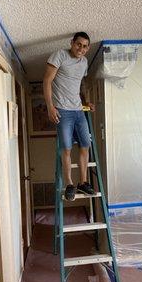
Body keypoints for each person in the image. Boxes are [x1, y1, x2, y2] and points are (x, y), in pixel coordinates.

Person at [43, 32, 95, 201]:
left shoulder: (84, 62)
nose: (81, 48)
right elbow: (47, 81)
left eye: (85, 46)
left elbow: (82, 83)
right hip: (62, 110)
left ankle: (83, 182)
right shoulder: (60, 55)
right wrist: (50, 107)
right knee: (66, 147)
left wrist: (87, 100)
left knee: (85, 145)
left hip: (78, 110)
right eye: (78, 44)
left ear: (88, 48)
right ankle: (70, 185)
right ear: (72, 43)